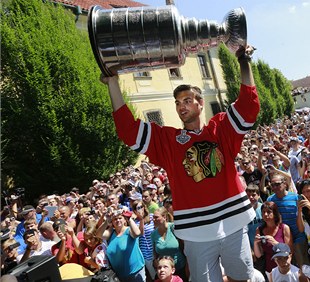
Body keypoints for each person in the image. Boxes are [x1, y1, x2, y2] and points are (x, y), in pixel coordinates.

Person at [102, 45, 258, 281]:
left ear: (200, 103)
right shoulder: (169, 141)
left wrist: (244, 61)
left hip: (234, 222)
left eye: (187, 100)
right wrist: (113, 83)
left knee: (241, 277)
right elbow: (128, 131)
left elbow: (248, 107)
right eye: (177, 102)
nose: (181, 106)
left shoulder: (220, 129)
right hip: (196, 232)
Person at [267, 173, 307, 267]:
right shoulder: (270, 200)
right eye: (273, 185)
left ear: (285, 184)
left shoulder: (295, 197)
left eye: (277, 184)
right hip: (282, 239)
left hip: (298, 237)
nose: (275, 187)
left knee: (303, 266)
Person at [97, 209, 145, 282]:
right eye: (115, 219)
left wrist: (129, 218)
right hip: (119, 276)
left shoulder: (129, 230)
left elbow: (137, 233)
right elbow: (98, 234)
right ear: (112, 222)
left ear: (124, 220)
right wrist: (107, 221)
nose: (118, 220)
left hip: (135, 273)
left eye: (120, 218)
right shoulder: (111, 233)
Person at [254, 201, 292, 275]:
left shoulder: (284, 228)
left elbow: (290, 251)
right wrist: (255, 243)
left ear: (275, 213)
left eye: (269, 212)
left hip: (284, 268)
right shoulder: (259, 229)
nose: (265, 214)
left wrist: (275, 243)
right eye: (263, 212)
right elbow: (259, 255)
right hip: (269, 270)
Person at [151, 207, 187, 281]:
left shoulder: (173, 228)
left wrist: (188, 265)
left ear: (164, 217)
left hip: (180, 268)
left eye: (156, 217)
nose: (153, 220)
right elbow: (155, 252)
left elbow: (184, 246)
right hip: (164, 272)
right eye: (153, 217)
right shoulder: (153, 234)